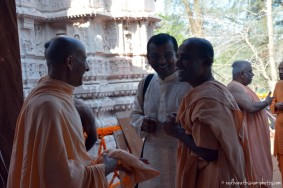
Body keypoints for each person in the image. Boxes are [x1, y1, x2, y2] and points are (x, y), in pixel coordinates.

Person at [7, 36, 119, 188]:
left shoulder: (47, 97)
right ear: (70, 62)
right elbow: (59, 177)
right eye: (84, 60)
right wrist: (105, 168)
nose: (87, 67)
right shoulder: (50, 106)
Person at [163, 37, 247, 188]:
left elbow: (209, 152)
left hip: (214, 177)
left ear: (206, 63)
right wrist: (185, 124)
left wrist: (177, 132)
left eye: (186, 58)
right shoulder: (213, 90)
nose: (177, 63)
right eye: (178, 56)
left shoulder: (208, 97)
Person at [130, 33, 192, 188]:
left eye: (168, 55)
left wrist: (180, 126)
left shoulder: (189, 84)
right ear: (148, 58)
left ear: (177, 56)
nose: (162, 61)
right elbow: (135, 114)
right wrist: (143, 123)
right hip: (153, 157)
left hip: (183, 156)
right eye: (155, 56)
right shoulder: (146, 83)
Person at [227, 60, 273, 186]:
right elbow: (250, 107)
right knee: (254, 171)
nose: (252, 75)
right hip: (249, 140)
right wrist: (266, 102)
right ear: (242, 73)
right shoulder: (234, 87)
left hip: (255, 139)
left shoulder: (242, 88)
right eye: (250, 72)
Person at [271, 61, 283, 182]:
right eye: (279, 69)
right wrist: (276, 105)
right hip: (281, 131)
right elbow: (272, 102)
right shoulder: (278, 85)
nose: (281, 72)